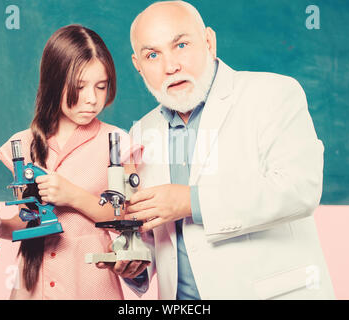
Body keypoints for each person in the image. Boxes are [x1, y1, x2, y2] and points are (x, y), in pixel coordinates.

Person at [98, 1, 335, 300]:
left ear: (209, 41)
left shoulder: (274, 94)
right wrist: (137, 262)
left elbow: (299, 189)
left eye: (181, 44)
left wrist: (190, 201)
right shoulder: (142, 132)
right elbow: (159, 237)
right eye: (153, 55)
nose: (170, 66)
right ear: (138, 65)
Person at [0, 24, 143, 299]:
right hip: (32, 287)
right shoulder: (23, 145)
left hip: (90, 284)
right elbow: (30, 222)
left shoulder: (117, 142)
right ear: (54, 83)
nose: (92, 99)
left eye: (101, 86)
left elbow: (127, 216)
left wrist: (71, 195)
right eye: (79, 87)